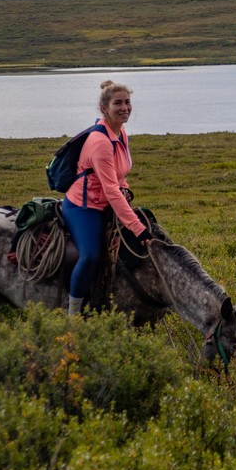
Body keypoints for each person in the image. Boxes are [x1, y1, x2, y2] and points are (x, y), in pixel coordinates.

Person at [59, 80, 149, 315]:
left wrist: (126, 188)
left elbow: (119, 176)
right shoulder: (100, 142)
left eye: (127, 102)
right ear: (103, 108)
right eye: (117, 103)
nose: (125, 108)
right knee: (90, 255)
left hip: (106, 203)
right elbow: (110, 190)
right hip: (83, 207)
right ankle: (74, 312)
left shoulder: (121, 133)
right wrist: (139, 229)